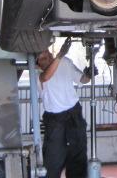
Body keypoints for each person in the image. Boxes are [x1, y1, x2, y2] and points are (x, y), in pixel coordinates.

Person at [37, 38, 95, 178]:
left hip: (74, 115)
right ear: (38, 64)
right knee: (52, 161)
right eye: (43, 58)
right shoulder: (37, 75)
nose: (48, 58)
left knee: (78, 158)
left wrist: (89, 74)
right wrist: (59, 56)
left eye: (48, 54)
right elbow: (46, 77)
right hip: (55, 121)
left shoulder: (65, 62)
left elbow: (82, 80)